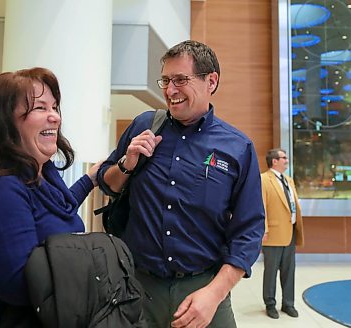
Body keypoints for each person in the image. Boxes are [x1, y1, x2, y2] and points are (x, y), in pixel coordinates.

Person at [97, 40, 265, 328]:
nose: (170, 90)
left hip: (203, 290)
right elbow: (106, 182)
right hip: (138, 289)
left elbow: (249, 230)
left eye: (180, 80)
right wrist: (127, 163)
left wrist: (214, 294)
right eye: (165, 80)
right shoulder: (144, 126)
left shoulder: (238, 147)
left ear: (211, 81)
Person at [0, 67, 101, 326]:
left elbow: (57, 211)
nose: (55, 117)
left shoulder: (41, 172)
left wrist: (90, 180)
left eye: (55, 107)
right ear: (4, 122)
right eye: (40, 108)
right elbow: (18, 284)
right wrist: (95, 268)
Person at [261, 148, 304, 319]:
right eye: (284, 157)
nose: (287, 160)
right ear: (274, 161)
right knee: (271, 272)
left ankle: (288, 304)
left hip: (290, 232)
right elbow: (261, 206)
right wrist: (263, 229)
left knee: (289, 271)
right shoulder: (264, 179)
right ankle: (270, 304)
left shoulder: (289, 180)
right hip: (272, 233)